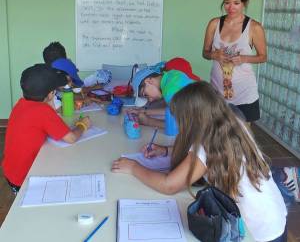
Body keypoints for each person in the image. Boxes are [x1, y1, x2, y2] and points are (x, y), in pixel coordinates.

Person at [112, 81, 287, 242]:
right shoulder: (232, 123)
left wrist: (134, 167)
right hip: (274, 217)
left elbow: (169, 186)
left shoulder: (206, 144)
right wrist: (166, 150)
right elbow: (205, 156)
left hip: (257, 233)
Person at [1, 64, 91, 193]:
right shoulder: (43, 111)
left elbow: (50, 122)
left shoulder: (21, 104)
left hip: (11, 171)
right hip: (24, 179)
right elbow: (71, 138)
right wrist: (83, 125)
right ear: (50, 94)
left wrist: (49, 103)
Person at [202, 0, 267, 123]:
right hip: (217, 90)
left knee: (244, 136)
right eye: (227, 2)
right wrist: (214, 54)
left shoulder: (254, 27)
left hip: (245, 93)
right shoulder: (214, 24)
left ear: (245, 2)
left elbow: (263, 57)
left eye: (236, 3)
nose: (230, 8)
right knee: (216, 131)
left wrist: (244, 58)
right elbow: (205, 53)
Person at [130, 67, 194, 128]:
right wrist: (145, 111)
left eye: (145, 95)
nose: (150, 100)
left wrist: (148, 121)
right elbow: (172, 109)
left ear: (148, 81)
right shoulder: (172, 74)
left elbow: (182, 125)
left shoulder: (169, 92)